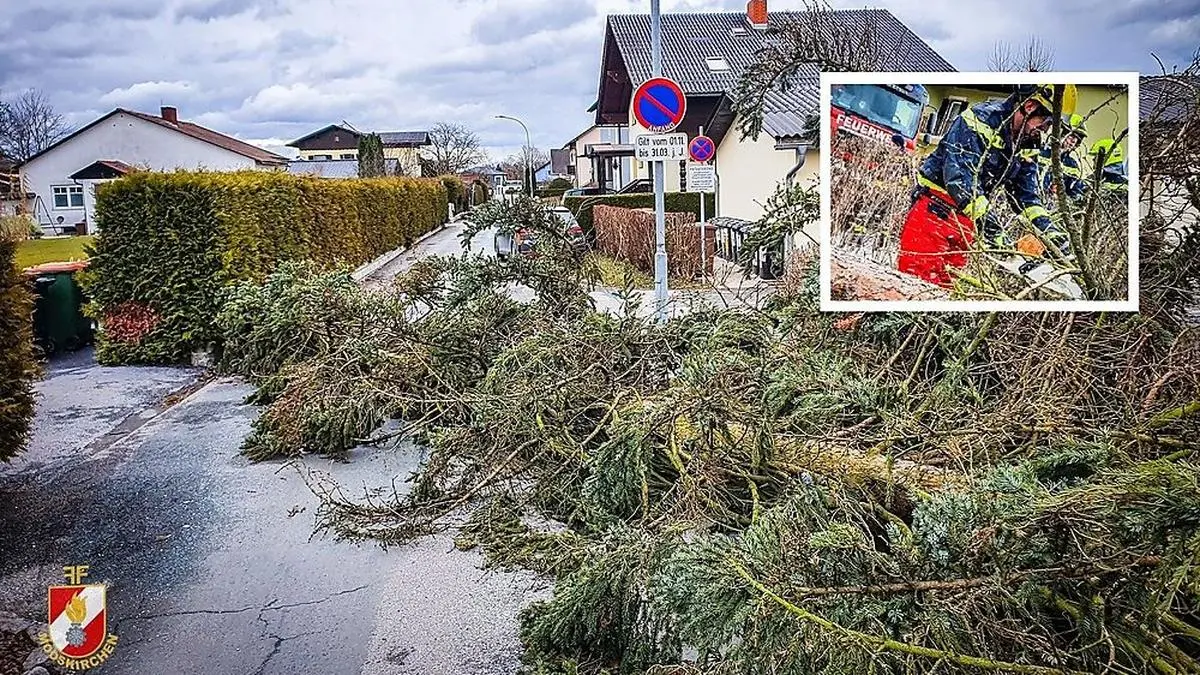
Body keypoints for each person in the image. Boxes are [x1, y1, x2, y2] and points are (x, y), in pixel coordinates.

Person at [897, 84, 1077, 287]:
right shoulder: (979, 120)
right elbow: (960, 179)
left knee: (944, 289)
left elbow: (1026, 196)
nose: (1044, 131)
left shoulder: (1026, 144)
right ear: (1030, 106)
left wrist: (1050, 233)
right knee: (915, 283)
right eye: (1045, 123)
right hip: (936, 211)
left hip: (968, 222)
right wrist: (992, 228)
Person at [1035, 113, 1089, 203]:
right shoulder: (1039, 153)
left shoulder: (1072, 165)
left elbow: (1074, 192)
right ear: (1062, 132)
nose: (1073, 141)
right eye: (1072, 135)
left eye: (1077, 139)